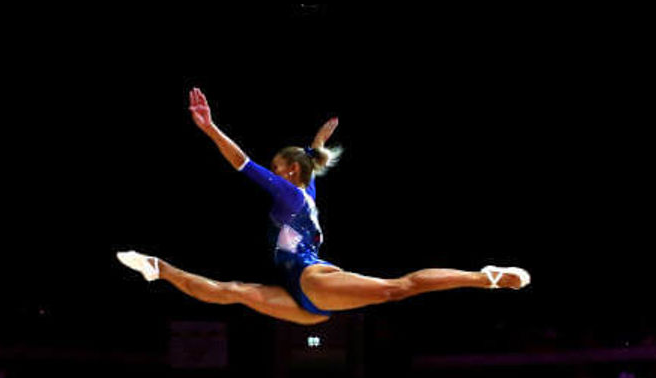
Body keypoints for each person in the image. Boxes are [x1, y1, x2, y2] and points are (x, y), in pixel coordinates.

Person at [117, 88, 530, 326]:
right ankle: (159, 268)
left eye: (278, 166)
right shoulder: (304, 193)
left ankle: (485, 277)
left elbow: (241, 161)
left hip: (311, 282)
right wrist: (316, 142)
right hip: (305, 303)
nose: (273, 173)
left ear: (290, 171)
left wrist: (209, 128)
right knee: (231, 293)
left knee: (395, 289)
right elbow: (311, 163)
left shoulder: (290, 193)